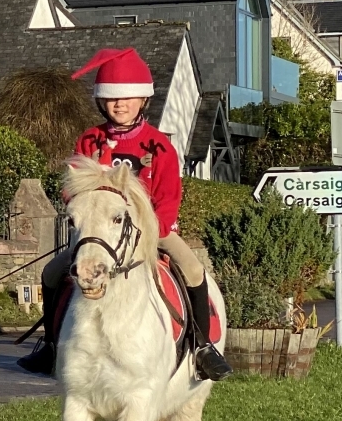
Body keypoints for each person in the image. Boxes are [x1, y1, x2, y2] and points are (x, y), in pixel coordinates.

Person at [17, 47, 233, 382]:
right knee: (51, 272)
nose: (120, 104)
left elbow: (168, 197)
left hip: (152, 233)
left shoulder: (160, 145)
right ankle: (51, 344)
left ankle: (202, 347)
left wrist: (152, 229)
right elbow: (71, 185)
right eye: (113, 99)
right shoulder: (89, 140)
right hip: (101, 234)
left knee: (192, 269)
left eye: (129, 97)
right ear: (102, 102)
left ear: (143, 100)